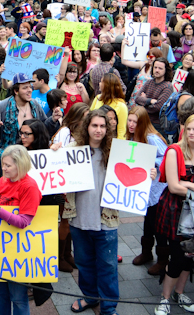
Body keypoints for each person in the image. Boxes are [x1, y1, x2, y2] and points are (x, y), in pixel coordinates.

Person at [154, 114, 194, 315]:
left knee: (191, 255)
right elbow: (173, 187)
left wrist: (189, 184)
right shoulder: (175, 152)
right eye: (188, 129)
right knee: (177, 255)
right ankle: (164, 298)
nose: (190, 133)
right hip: (177, 211)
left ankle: (179, 293)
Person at [67, 109, 125, 315]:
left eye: (102, 126)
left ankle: (108, 308)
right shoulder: (73, 150)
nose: (98, 130)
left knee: (108, 266)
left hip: (106, 221)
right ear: (87, 127)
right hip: (79, 218)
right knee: (84, 263)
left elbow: (136, 173)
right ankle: (90, 297)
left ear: (107, 129)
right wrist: (55, 150)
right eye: (94, 126)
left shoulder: (117, 151)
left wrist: (149, 172)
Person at [0, 145, 42, 315]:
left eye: (8, 165)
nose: (3, 168)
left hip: (18, 251)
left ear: (20, 165)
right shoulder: (2, 181)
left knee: (18, 297)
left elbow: (24, 221)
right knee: (0, 293)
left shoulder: (29, 186)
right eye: (3, 164)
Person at [126, 107, 168, 270]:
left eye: (135, 121)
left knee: (158, 224)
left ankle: (163, 259)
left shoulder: (151, 138)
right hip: (145, 188)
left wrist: (154, 164)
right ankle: (146, 252)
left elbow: (166, 156)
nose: (131, 124)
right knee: (148, 222)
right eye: (129, 120)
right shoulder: (132, 136)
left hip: (157, 188)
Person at [0, 73, 48, 152]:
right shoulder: (3, 107)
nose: (30, 90)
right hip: (9, 154)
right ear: (16, 91)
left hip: (31, 154)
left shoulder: (34, 105)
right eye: (25, 88)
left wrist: (54, 119)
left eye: (30, 87)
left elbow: (44, 126)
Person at [133, 57, 173, 128]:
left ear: (166, 70)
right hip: (144, 120)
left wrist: (144, 102)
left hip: (156, 124)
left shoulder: (167, 86)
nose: (157, 70)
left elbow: (158, 107)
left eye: (160, 68)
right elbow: (137, 98)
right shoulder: (149, 82)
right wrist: (150, 100)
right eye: (155, 67)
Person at [90, 73, 128, 140]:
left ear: (107, 85)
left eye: (101, 81)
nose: (99, 83)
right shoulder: (98, 98)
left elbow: (122, 131)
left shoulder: (121, 106)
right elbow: (89, 117)